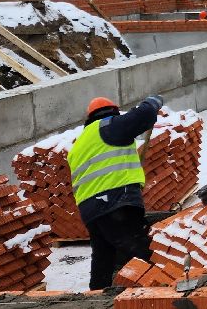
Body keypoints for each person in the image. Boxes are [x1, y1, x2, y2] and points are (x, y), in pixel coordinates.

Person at [69, 94, 163, 289]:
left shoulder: (80, 143)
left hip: (90, 209)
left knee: (104, 256)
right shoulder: (109, 126)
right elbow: (144, 114)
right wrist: (153, 102)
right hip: (114, 201)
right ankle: (159, 290)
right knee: (138, 249)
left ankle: (96, 299)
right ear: (112, 112)